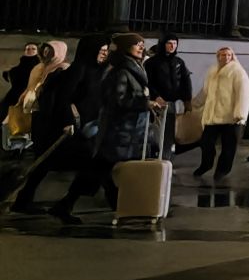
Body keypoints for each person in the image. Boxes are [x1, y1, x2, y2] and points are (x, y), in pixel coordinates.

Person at [48, 33, 163, 224]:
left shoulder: (134, 67)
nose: (141, 47)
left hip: (128, 129)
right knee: (101, 167)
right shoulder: (120, 71)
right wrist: (145, 103)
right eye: (137, 45)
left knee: (101, 169)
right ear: (126, 47)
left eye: (142, 44)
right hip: (118, 130)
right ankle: (115, 207)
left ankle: (70, 204)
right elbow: (117, 100)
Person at [10, 37, 101, 214]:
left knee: (45, 162)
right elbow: (60, 98)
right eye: (45, 50)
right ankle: (63, 203)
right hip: (49, 121)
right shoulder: (59, 70)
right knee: (85, 159)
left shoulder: (61, 69)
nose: (46, 53)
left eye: (50, 50)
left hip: (48, 120)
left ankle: (28, 200)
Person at [190, 46, 249, 181]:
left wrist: (240, 114)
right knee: (206, 142)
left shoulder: (237, 72)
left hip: (231, 117)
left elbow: (244, 94)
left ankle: (222, 170)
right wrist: (195, 103)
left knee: (228, 146)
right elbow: (205, 91)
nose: (226, 57)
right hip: (212, 116)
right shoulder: (212, 71)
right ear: (218, 56)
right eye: (223, 55)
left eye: (229, 55)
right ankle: (206, 164)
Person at [144, 33, 193, 153]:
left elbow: (186, 81)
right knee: (155, 132)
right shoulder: (151, 63)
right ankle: (155, 156)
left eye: (175, 43)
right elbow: (147, 82)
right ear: (163, 44)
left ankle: (166, 158)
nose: (172, 46)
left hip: (173, 103)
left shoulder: (179, 62)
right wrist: (156, 96)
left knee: (169, 133)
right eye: (169, 43)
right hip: (156, 103)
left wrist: (187, 100)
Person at [2, 41, 39, 150]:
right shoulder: (15, 70)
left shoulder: (40, 68)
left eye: (33, 49)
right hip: (15, 97)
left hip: (32, 98)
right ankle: (10, 146)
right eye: (28, 49)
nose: (30, 50)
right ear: (24, 52)